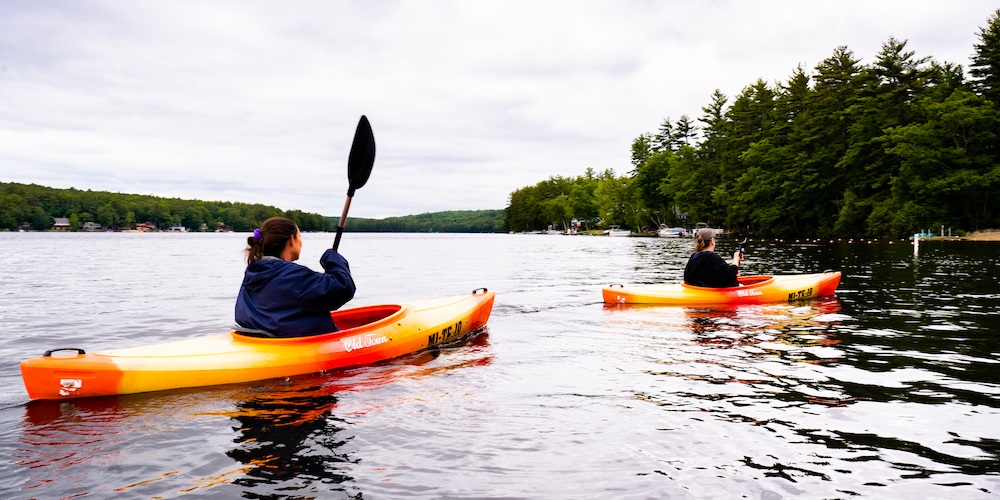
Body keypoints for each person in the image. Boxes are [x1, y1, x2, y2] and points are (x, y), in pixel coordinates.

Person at [235, 216, 356, 337]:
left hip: (263, 340)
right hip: (296, 344)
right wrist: (333, 260)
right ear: (292, 240)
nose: (301, 242)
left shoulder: (252, 273)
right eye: (300, 237)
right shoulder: (291, 276)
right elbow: (344, 287)